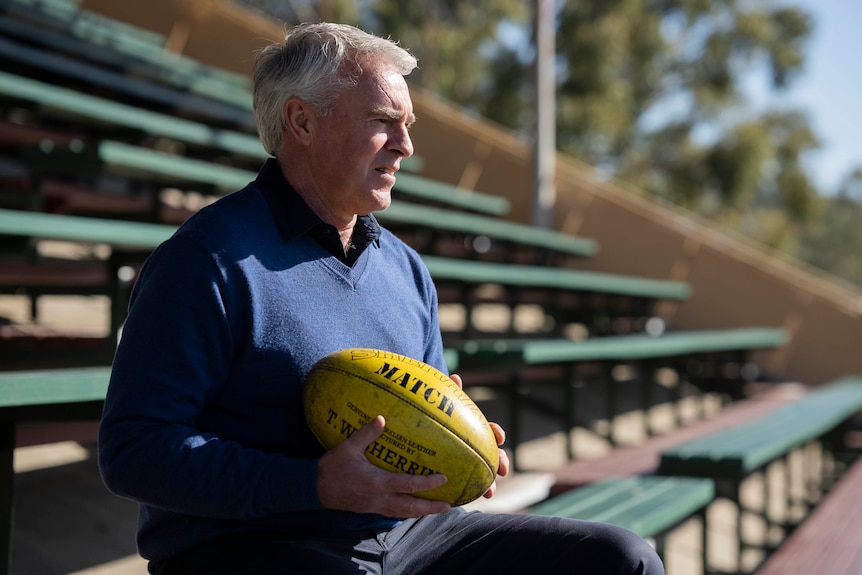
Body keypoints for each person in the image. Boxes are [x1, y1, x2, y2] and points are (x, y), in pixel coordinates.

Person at [98, 22, 664, 575]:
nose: (406, 145)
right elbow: (134, 450)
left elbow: (424, 410)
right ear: (302, 121)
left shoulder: (404, 267)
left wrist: (462, 446)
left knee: (621, 558)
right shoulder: (207, 259)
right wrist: (314, 484)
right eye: (382, 121)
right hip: (259, 543)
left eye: (407, 124)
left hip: (409, 536)